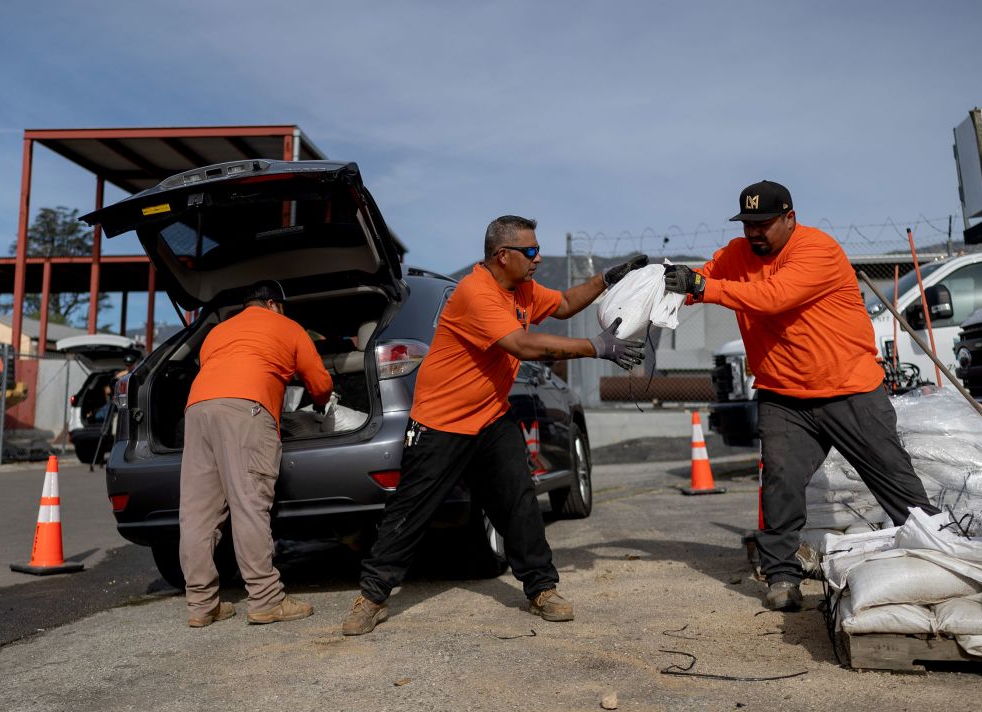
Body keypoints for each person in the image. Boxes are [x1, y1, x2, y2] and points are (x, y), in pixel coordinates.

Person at [341, 215, 647, 635]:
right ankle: (372, 597)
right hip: (441, 422)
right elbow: (523, 345)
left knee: (519, 502)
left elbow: (563, 304)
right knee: (409, 513)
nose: (538, 259)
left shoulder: (520, 289)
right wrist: (596, 347)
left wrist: (607, 280)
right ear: (503, 256)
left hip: (490, 417)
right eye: (531, 252)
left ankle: (542, 588)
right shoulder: (475, 292)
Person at [664, 181, 939, 612]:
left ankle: (941, 555)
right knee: (780, 484)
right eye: (748, 224)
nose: (755, 232)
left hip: (848, 389)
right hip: (783, 394)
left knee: (894, 480)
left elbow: (772, 299)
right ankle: (781, 577)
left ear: (790, 218)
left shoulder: (817, 250)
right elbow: (696, 283)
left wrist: (701, 287)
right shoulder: (737, 254)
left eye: (764, 224)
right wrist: (649, 293)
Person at [179, 279, 333, 627]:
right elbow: (321, 384)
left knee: (197, 512)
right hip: (246, 410)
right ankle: (265, 600)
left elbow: (217, 367)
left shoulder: (217, 332)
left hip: (198, 410)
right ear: (274, 304)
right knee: (249, 503)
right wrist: (321, 405)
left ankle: (201, 605)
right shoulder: (287, 326)